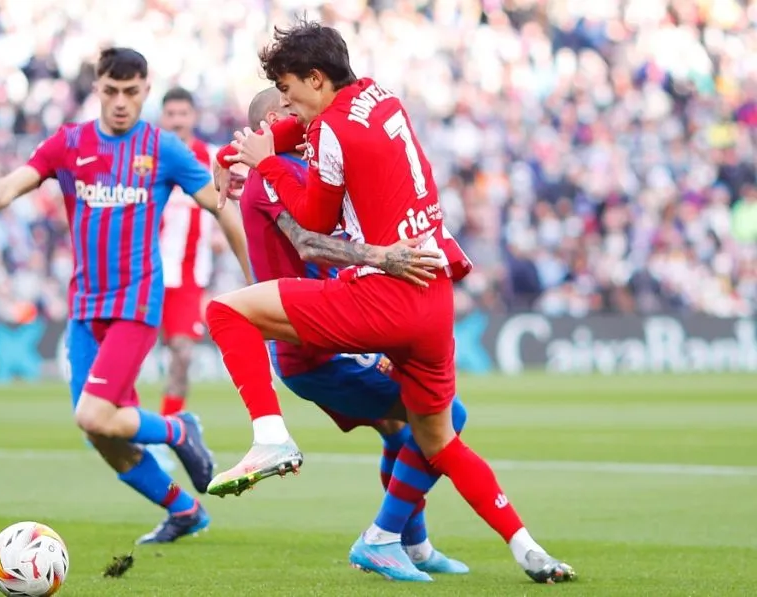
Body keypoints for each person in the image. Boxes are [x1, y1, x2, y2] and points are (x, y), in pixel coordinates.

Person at [206, 22, 575, 583]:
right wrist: (257, 147)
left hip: (380, 300)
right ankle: (526, 548)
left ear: (316, 78)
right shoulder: (381, 96)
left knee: (224, 311)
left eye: (290, 89)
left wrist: (263, 161)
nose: (288, 103)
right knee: (439, 437)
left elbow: (312, 225)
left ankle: (273, 440)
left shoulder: (322, 138)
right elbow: (315, 131)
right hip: (434, 298)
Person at [0, 48, 252, 545]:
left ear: (145, 92)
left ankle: (179, 431)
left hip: (135, 306)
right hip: (84, 309)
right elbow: (18, 181)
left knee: (92, 413)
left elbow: (221, 208)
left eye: (131, 92)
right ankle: (185, 510)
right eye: (110, 91)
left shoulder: (163, 149)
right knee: (100, 432)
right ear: (97, 89)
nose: (120, 102)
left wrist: (251, 275)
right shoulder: (69, 144)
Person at [227, 86, 471, 576]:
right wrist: (383, 260)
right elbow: (310, 244)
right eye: (291, 107)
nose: (303, 113)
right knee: (448, 416)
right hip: (321, 342)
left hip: (326, 334)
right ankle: (382, 538)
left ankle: (412, 543)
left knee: (398, 429)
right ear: (277, 116)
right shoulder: (276, 175)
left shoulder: (295, 170)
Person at [151, 88, 214, 476]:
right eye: (170, 113)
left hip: (188, 277)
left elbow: (230, 203)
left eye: (183, 113)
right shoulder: (150, 157)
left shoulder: (210, 158)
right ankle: (136, 429)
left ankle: (165, 434)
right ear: (162, 117)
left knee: (182, 353)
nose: (176, 120)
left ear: (193, 116)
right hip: (147, 274)